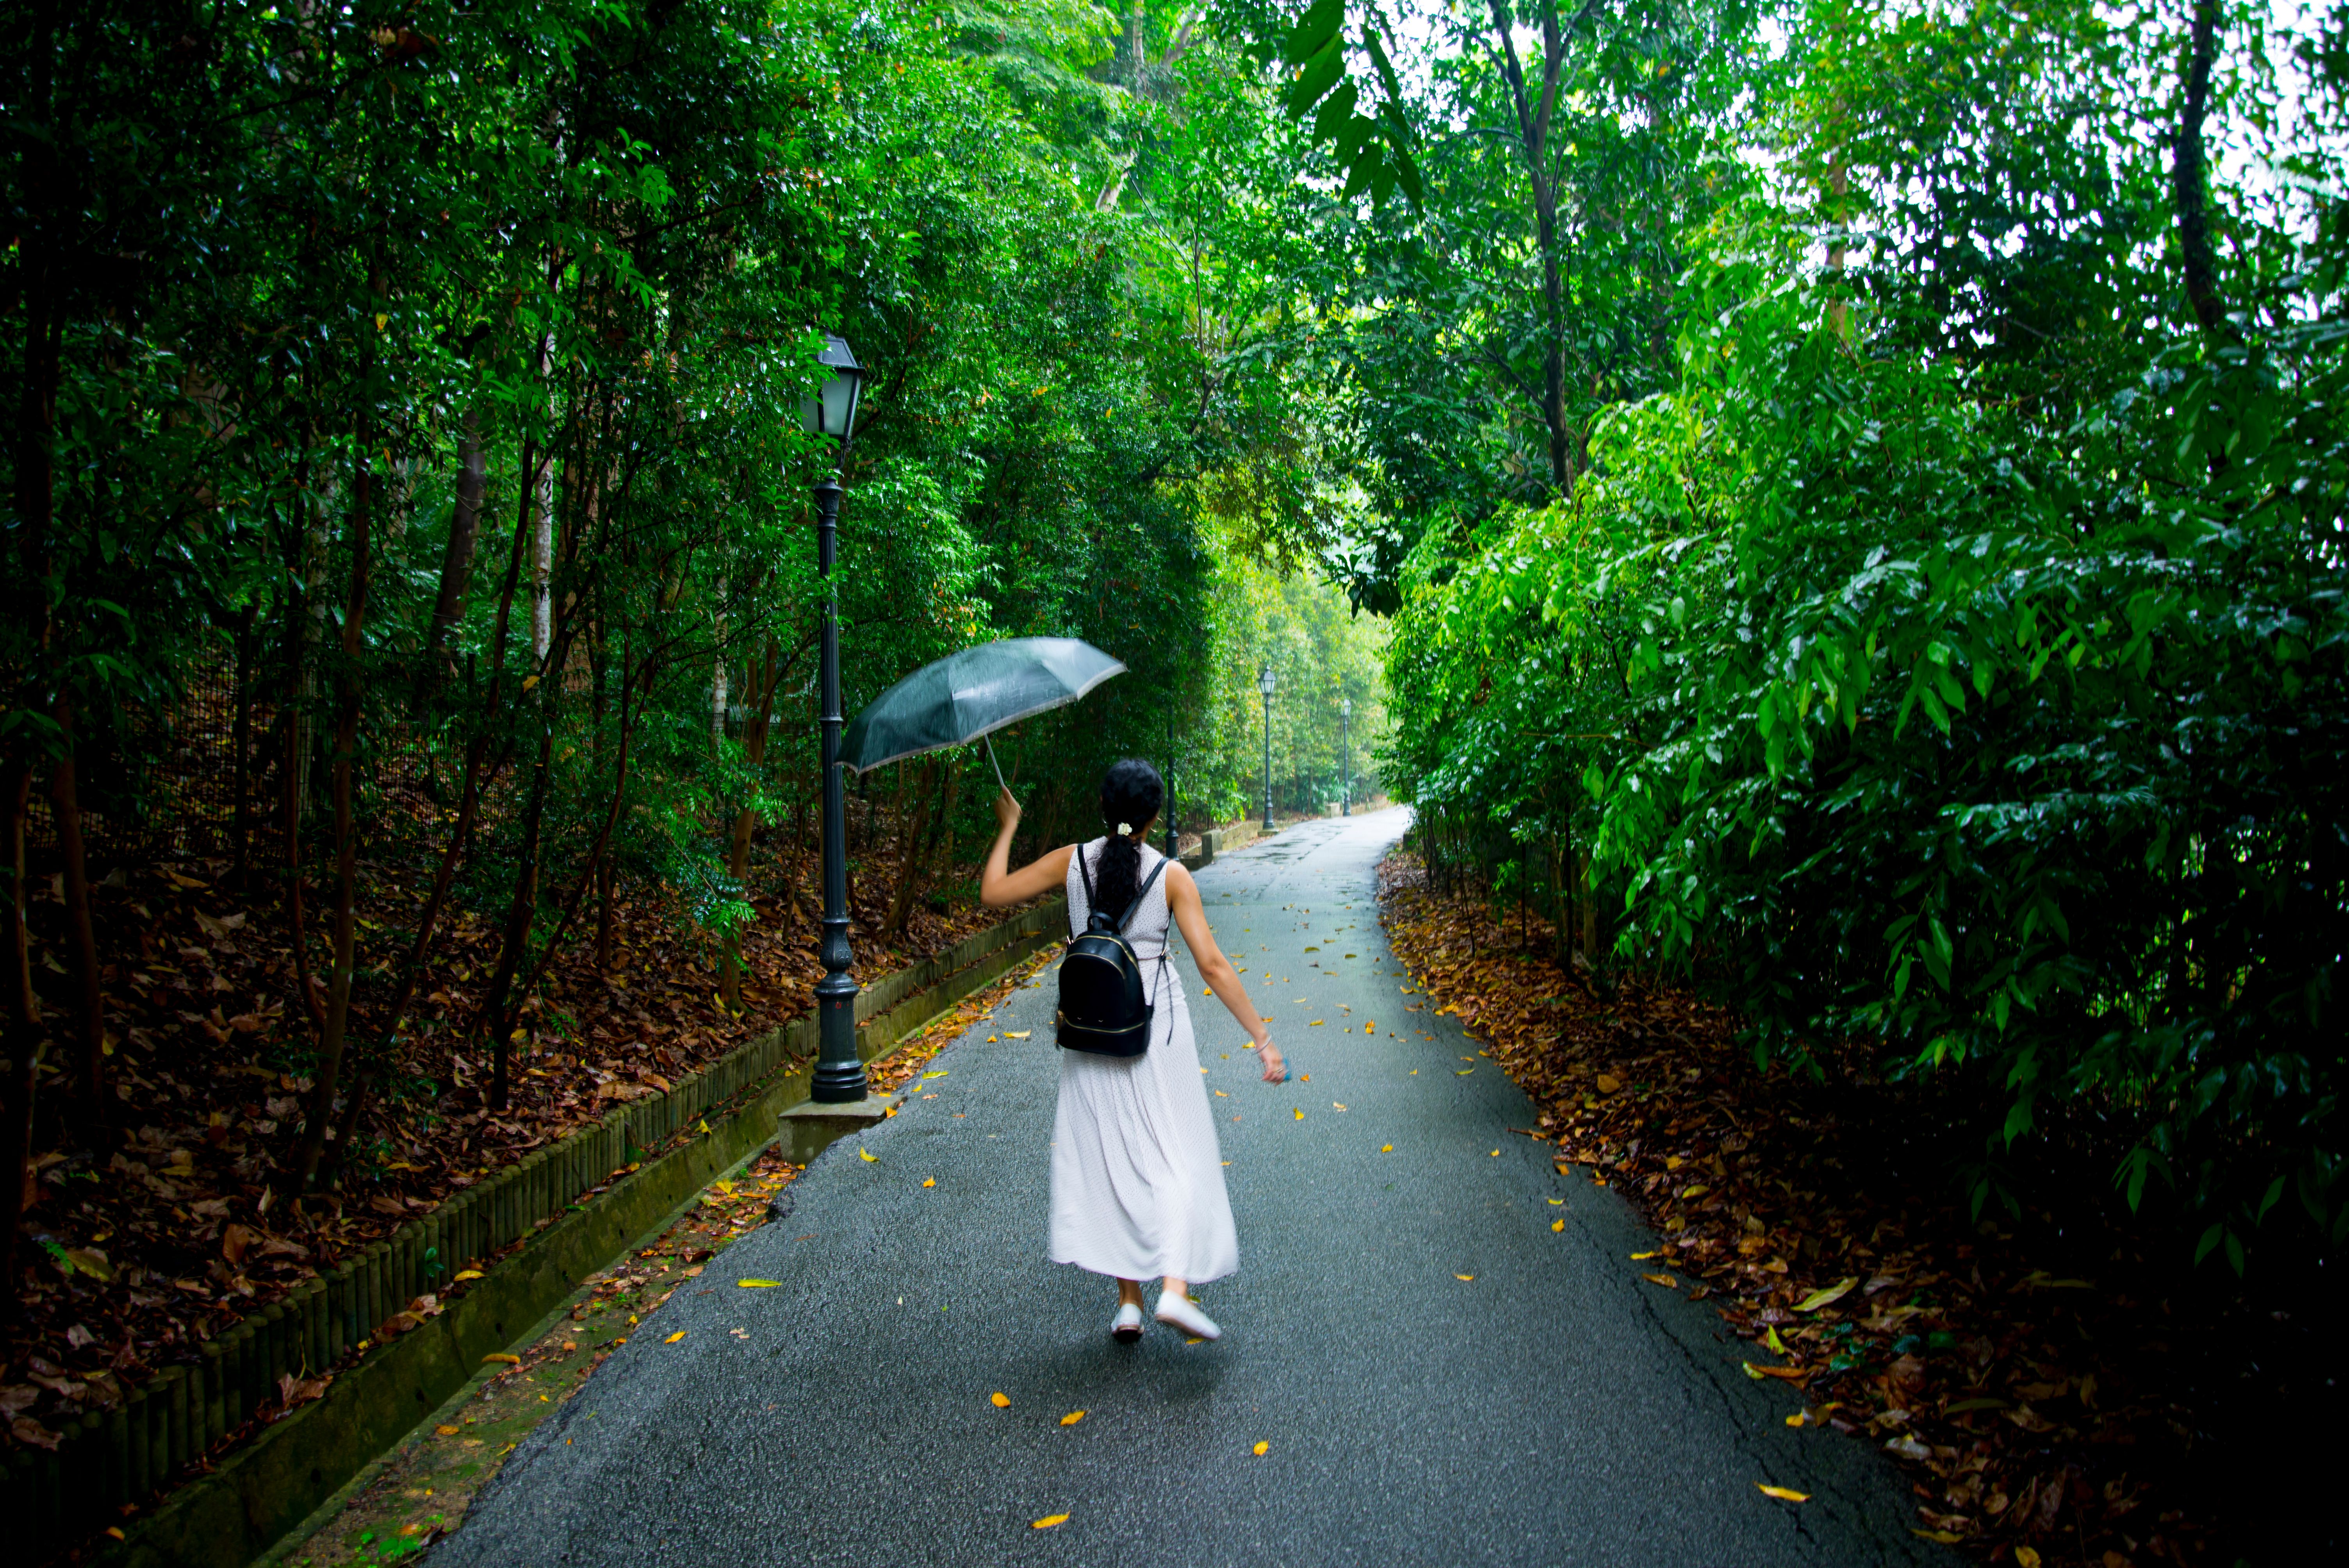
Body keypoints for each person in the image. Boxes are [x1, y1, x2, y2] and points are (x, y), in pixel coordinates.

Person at [979, 758, 1283, 1343]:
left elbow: (993, 891)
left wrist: (1010, 824)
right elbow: (1213, 966)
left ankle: (1128, 1304)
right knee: (1177, 1155)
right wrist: (1262, 1039)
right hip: (1153, 1029)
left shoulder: (1070, 862)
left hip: (1090, 1026)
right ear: (1153, 818)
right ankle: (1174, 1289)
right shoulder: (1170, 876)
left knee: (1111, 1160)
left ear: (1103, 809)